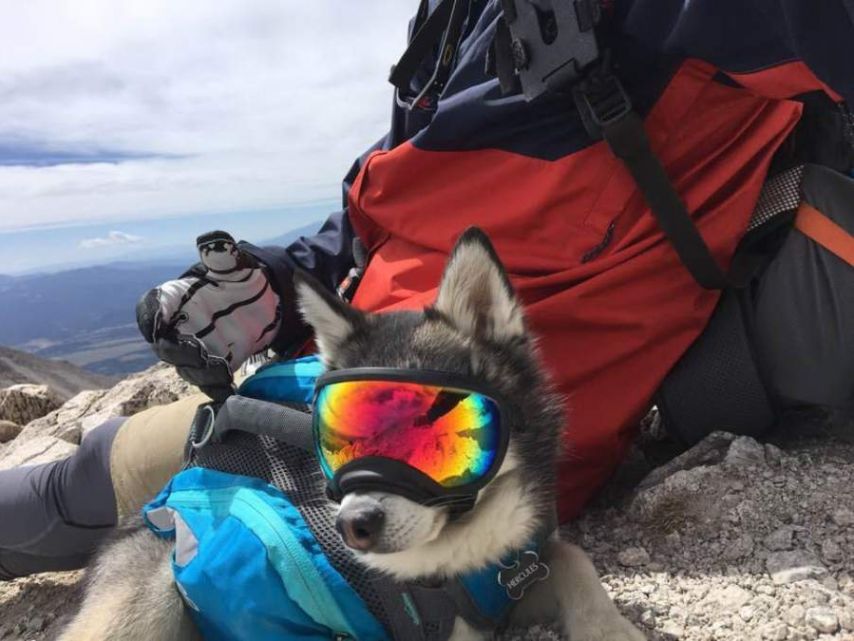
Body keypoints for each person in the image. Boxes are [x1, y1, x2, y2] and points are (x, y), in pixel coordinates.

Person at [2, 0, 853, 580]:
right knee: (99, 473)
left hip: (459, 446)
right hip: (349, 385)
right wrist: (271, 282)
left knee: (111, 488)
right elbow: (383, 207)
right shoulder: (451, 21)